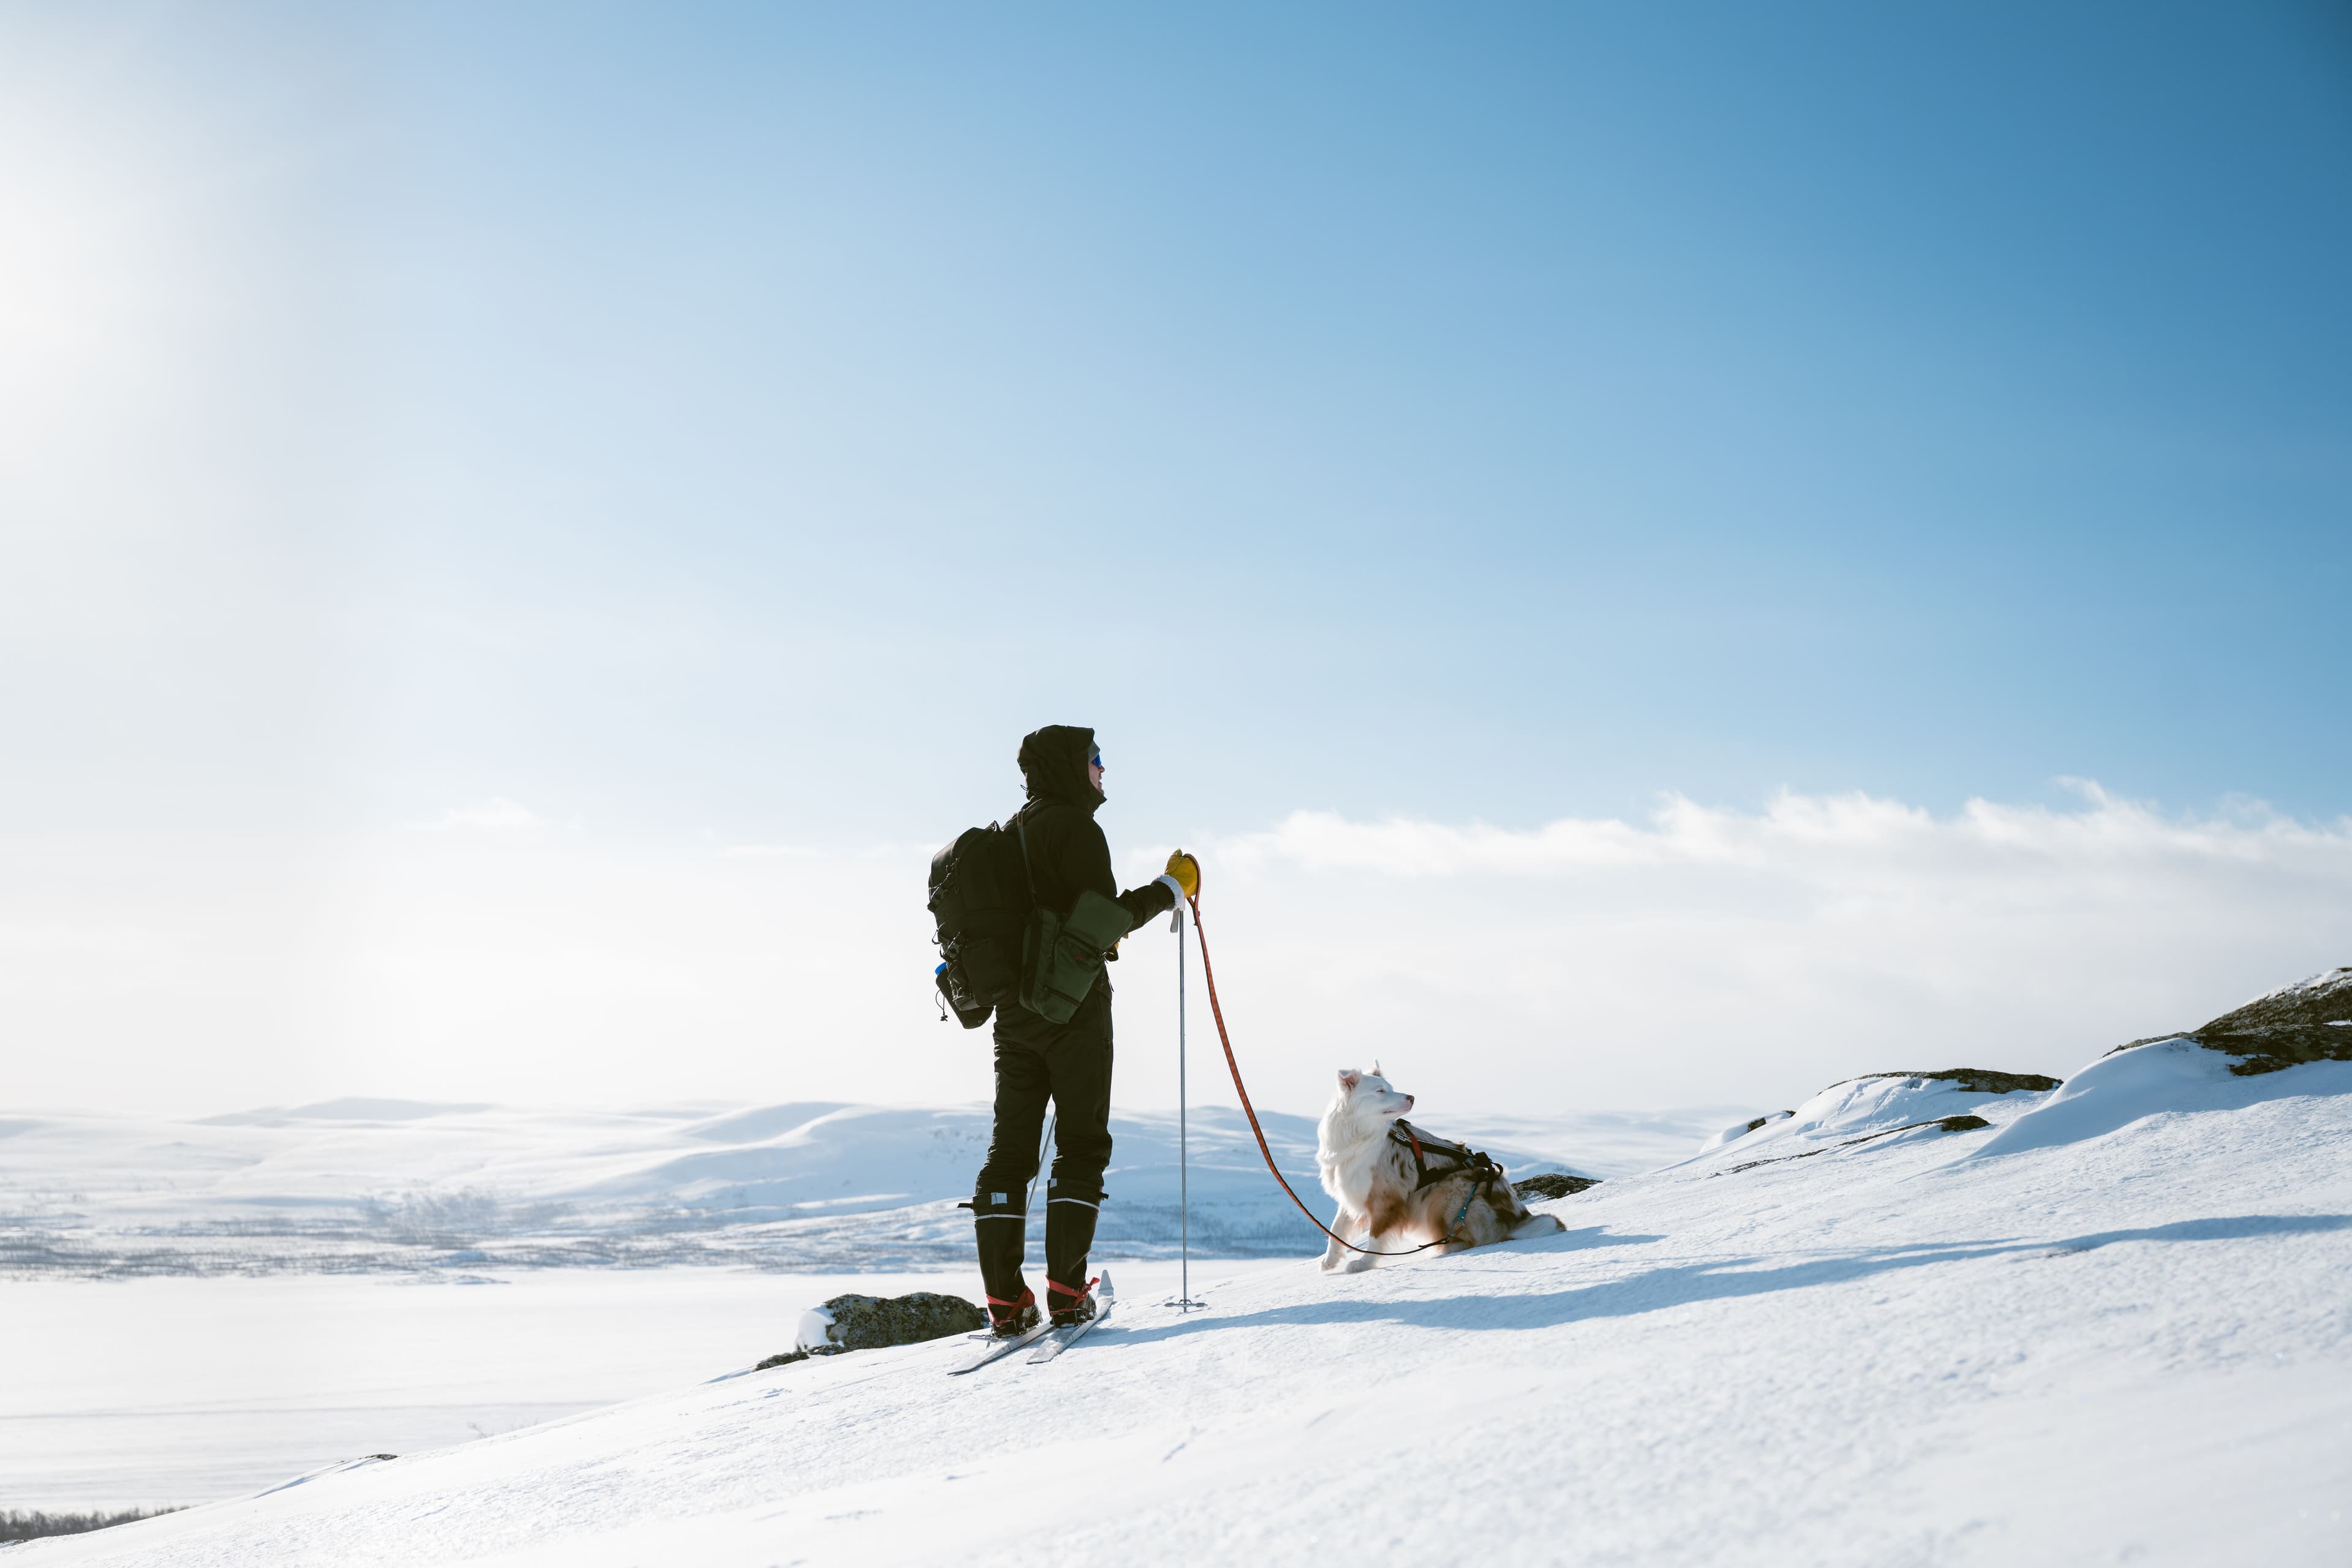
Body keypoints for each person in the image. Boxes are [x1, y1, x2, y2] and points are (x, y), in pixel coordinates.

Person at [972, 724, 1199, 1334]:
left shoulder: (1009, 833)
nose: (1103, 770)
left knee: (1009, 1154)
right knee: (1081, 1147)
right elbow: (1107, 920)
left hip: (1014, 1019)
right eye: (1096, 760)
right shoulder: (1076, 827)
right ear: (1072, 767)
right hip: (1075, 1013)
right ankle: (1069, 1293)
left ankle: (1004, 1300)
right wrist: (1170, 890)